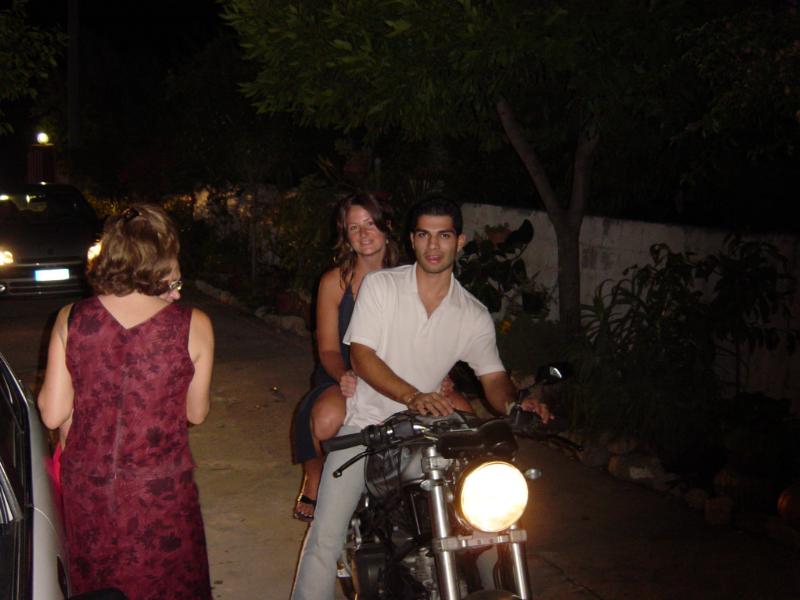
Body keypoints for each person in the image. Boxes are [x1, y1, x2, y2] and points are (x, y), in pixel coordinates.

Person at [290, 196, 551, 599]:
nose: (433, 246)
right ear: (412, 240)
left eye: (443, 236)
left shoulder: (472, 313)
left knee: (484, 528)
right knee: (326, 535)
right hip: (366, 428)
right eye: (424, 235)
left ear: (459, 241)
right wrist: (412, 395)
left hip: (429, 431)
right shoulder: (382, 287)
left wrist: (514, 405)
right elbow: (362, 356)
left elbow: (493, 377)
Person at [38, 204, 214, 600]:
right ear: (164, 257)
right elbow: (196, 412)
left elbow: (52, 414)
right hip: (161, 491)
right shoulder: (193, 324)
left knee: (100, 588)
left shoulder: (72, 318)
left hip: (91, 489)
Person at [291, 193, 471, 521]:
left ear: (387, 226)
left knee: (463, 414)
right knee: (324, 419)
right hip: (345, 372)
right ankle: (316, 476)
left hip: (405, 374)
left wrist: (442, 373)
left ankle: (452, 498)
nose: (363, 234)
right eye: (353, 227)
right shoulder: (334, 282)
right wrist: (344, 374)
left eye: (370, 224)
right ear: (345, 235)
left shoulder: (414, 274)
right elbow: (328, 349)